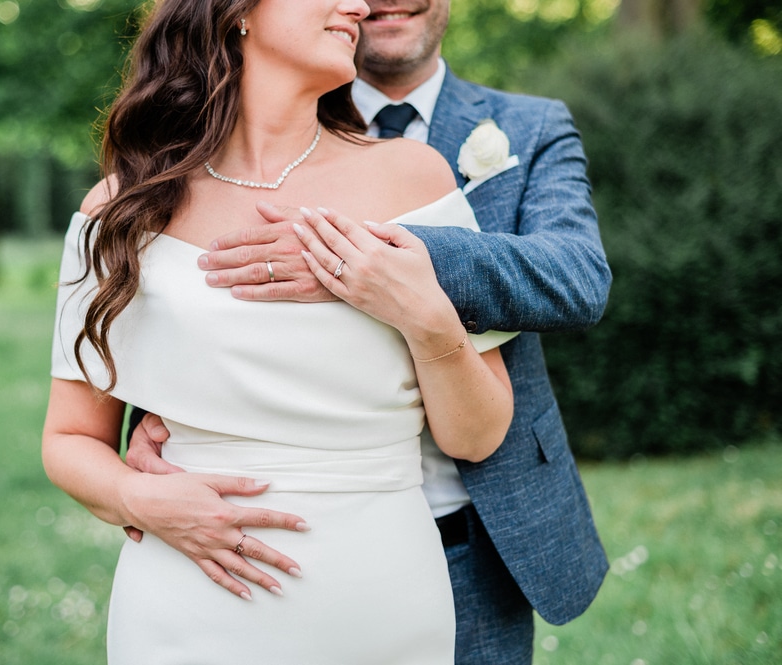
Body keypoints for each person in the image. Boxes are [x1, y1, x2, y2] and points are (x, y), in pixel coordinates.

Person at [124, 0, 612, 663]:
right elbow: (187, 301)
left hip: (476, 532)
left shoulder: (526, 126)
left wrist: (370, 256)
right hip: (269, 544)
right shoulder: (236, 138)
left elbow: (578, 274)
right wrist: (157, 439)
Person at [42, 0, 518, 663]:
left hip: (382, 600)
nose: (359, 5)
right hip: (186, 604)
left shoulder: (412, 177)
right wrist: (139, 496)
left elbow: (480, 431)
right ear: (235, 12)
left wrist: (420, 311)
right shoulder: (124, 207)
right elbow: (68, 438)